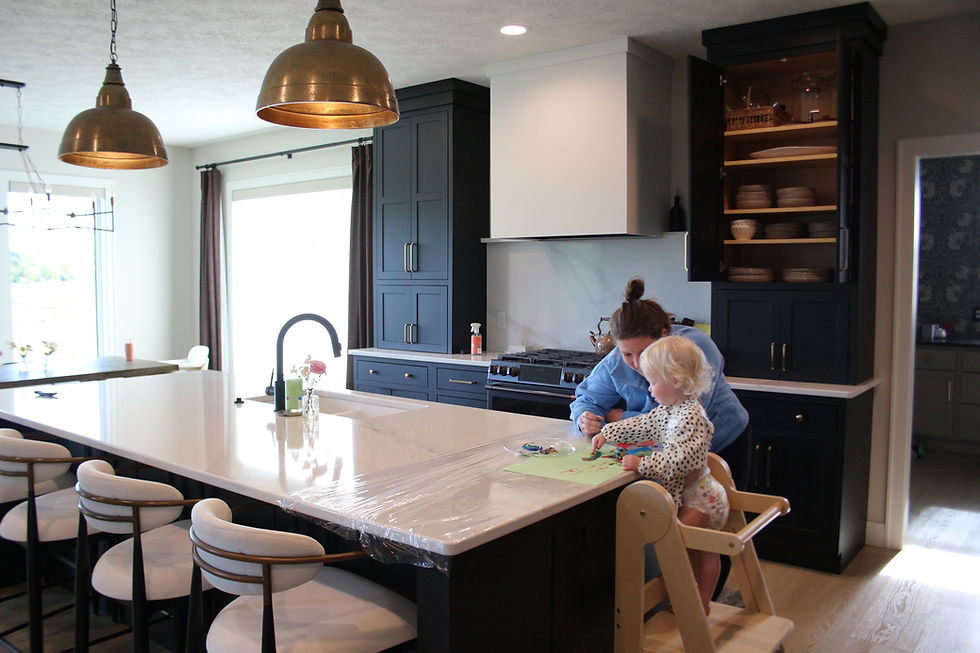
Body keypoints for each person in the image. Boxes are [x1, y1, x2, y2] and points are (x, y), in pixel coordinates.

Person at [591, 336, 729, 614]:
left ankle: (701, 601)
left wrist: (642, 463)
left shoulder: (691, 416)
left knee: (695, 547)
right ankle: (688, 597)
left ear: (675, 381)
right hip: (695, 495)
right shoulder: (672, 409)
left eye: (653, 381)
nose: (649, 388)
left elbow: (681, 460)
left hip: (704, 500)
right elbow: (643, 423)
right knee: (688, 547)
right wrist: (608, 432)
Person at [570, 278, 751, 488]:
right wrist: (583, 418)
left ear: (664, 336)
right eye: (627, 353)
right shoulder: (614, 362)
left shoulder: (694, 349)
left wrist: (616, 416)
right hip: (661, 458)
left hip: (721, 444)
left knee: (716, 514)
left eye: (644, 351)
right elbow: (586, 400)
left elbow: (675, 418)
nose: (637, 363)